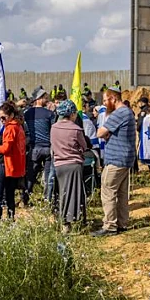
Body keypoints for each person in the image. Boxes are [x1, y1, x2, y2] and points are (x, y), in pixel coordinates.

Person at [93, 86, 135, 237]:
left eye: (105, 100)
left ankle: (110, 225)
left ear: (113, 98)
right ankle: (122, 223)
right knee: (122, 193)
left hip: (116, 159)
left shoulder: (119, 113)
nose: (104, 104)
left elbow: (100, 132)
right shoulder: (127, 112)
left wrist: (106, 131)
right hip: (125, 158)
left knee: (108, 189)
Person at [0, 101, 26, 220]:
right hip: (12, 166)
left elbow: (6, 148)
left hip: (4, 164)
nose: (1, 120)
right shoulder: (18, 126)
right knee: (9, 194)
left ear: (11, 115)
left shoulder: (10, 128)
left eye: (3, 117)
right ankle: (10, 218)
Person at [50, 100, 88, 231]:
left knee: (63, 193)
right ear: (72, 114)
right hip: (74, 164)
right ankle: (74, 220)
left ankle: (63, 220)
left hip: (59, 165)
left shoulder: (54, 127)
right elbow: (84, 146)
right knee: (75, 193)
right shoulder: (76, 129)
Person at [23, 87, 55, 204]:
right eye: (45, 98)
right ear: (38, 99)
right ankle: (47, 199)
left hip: (34, 148)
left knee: (31, 175)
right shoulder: (49, 114)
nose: (47, 100)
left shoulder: (27, 114)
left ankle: (25, 198)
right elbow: (53, 130)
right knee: (47, 176)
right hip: (47, 148)